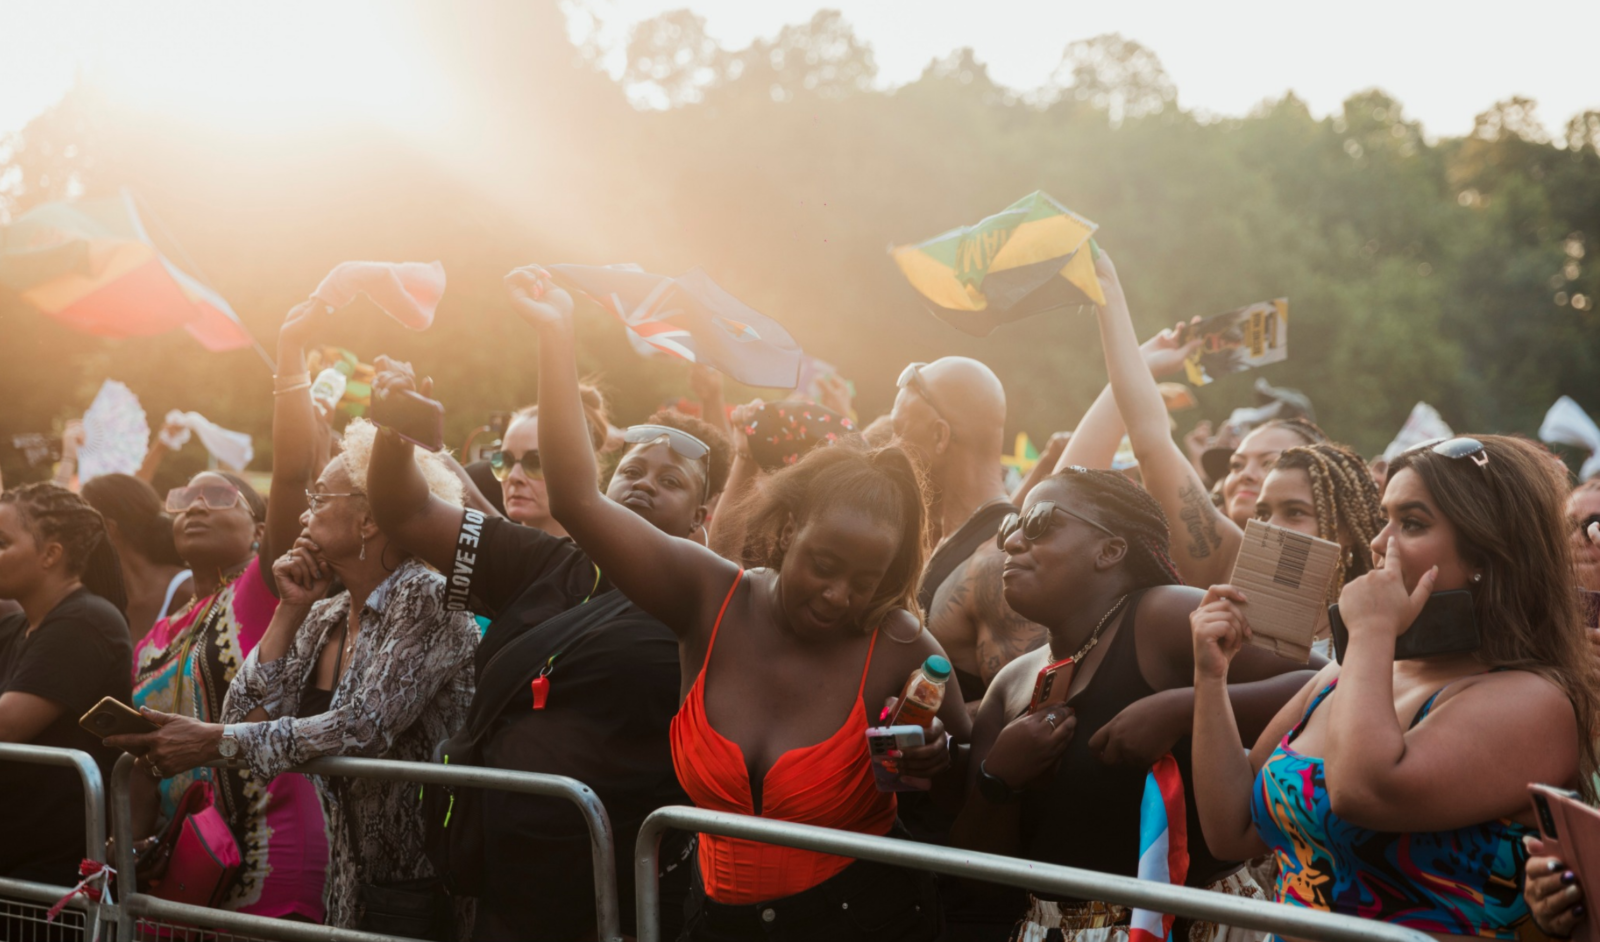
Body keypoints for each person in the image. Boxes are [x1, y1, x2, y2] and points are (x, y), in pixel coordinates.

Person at [508, 263, 968, 942]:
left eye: (867, 580)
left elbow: (959, 813)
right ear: (786, 533)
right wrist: (556, 334)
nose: (840, 594)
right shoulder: (707, 596)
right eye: (824, 566)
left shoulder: (903, 649)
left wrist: (937, 760)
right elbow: (577, 498)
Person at [368, 358, 733, 942]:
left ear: (700, 518)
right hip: (504, 887)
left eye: (671, 482)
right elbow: (407, 513)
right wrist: (393, 436)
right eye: (634, 470)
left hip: (624, 898)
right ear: (601, 484)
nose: (644, 483)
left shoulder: (716, 602)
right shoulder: (540, 560)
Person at [1191, 434, 1600, 941]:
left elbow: (1362, 792)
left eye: (1411, 523)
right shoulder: (1343, 677)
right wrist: (1211, 677)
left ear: (1487, 552)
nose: (1380, 543)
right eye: (1385, 519)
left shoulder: (1532, 699)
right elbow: (1231, 830)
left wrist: (1369, 634)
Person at [108, 419, 480, 935]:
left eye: (320, 498)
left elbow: (363, 728)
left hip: (422, 881)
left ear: (369, 518)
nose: (305, 513)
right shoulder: (325, 615)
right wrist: (289, 609)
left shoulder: (426, 596)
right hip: (348, 876)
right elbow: (242, 713)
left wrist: (214, 741)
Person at [951, 465, 1310, 942]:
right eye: (1010, 527)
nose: (1013, 542)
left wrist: (1182, 707)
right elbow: (977, 878)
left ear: (1111, 550)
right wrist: (999, 780)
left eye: (1039, 522)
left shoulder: (1161, 617)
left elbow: (1319, 684)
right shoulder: (1009, 683)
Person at [121, 299, 336, 921]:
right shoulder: (154, 637)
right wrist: (132, 847)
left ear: (261, 527)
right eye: (184, 496)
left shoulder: (264, 588)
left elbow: (293, 467)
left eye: (219, 495)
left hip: (272, 849)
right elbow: (141, 760)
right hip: (179, 866)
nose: (195, 504)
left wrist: (289, 354)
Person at [1090, 251, 1324, 589]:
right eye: (1236, 464)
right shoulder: (1226, 561)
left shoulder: (1371, 592)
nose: (1245, 473)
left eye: (1271, 463)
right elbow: (1150, 441)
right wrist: (1114, 304)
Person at [891, 357, 1043, 709]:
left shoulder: (999, 562)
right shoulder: (949, 537)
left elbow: (1025, 713)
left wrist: (934, 740)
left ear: (939, 436)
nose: (892, 449)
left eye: (900, 432)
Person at [0, 484, 131, 885]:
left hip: (50, 879)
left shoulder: (85, 622)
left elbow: (7, 726)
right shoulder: (16, 626)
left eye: (2, 542)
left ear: (50, 554)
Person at [1251, 443, 1385, 655]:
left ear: (1348, 530)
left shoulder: (1380, 629)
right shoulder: (1238, 620)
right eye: (1263, 513)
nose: (1269, 526)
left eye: (1294, 512)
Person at [82, 473, 194, 643]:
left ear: (108, 528)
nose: (72, 535)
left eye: (80, 522)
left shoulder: (188, 591)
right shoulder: (95, 601)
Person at [486, 392, 610, 538]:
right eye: (506, 461)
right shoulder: (494, 556)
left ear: (578, 471)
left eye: (536, 462)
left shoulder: (601, 559)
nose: (513, 476)